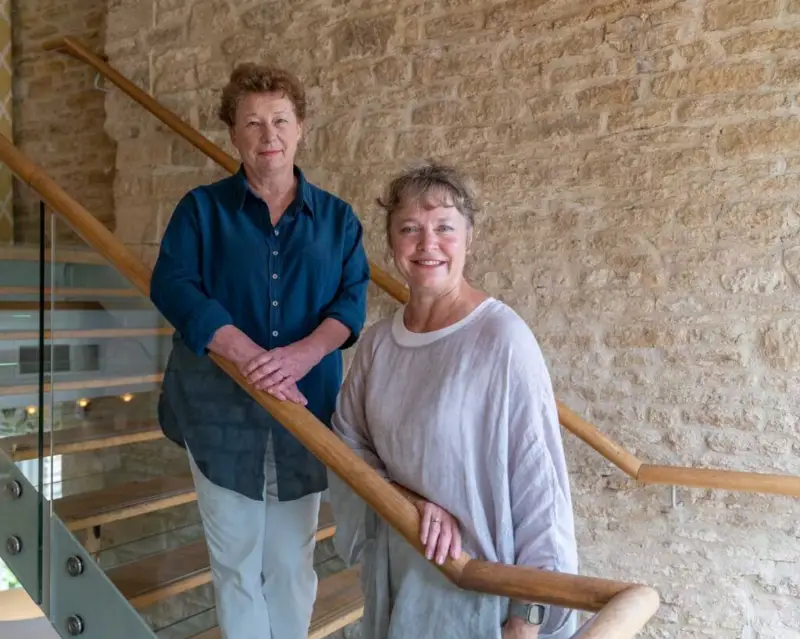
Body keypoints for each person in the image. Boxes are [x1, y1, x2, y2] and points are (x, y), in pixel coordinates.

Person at [149, 63, 369, 639]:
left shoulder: (338, 220)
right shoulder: (200, 211)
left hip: (302, 411)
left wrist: (302, 355)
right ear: (233, 135)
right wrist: (244, 352)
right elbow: (172, 284)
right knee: (236, 566)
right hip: (218, 413)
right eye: (252, 122)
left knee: (292, 565)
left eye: (280, 120)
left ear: (300, 129)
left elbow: (351, 303)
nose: (268, 135)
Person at [330, 163, 578, 638]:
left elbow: (539, 490)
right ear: (392, 243)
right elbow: (348, 451)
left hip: (476, 595)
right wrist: (412, 503)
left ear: (469, 238)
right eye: (410, 229)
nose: (428, 244)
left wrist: (527, 620)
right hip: (398, 585)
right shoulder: (378, 344)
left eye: (444, 227)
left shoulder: (501, 339)